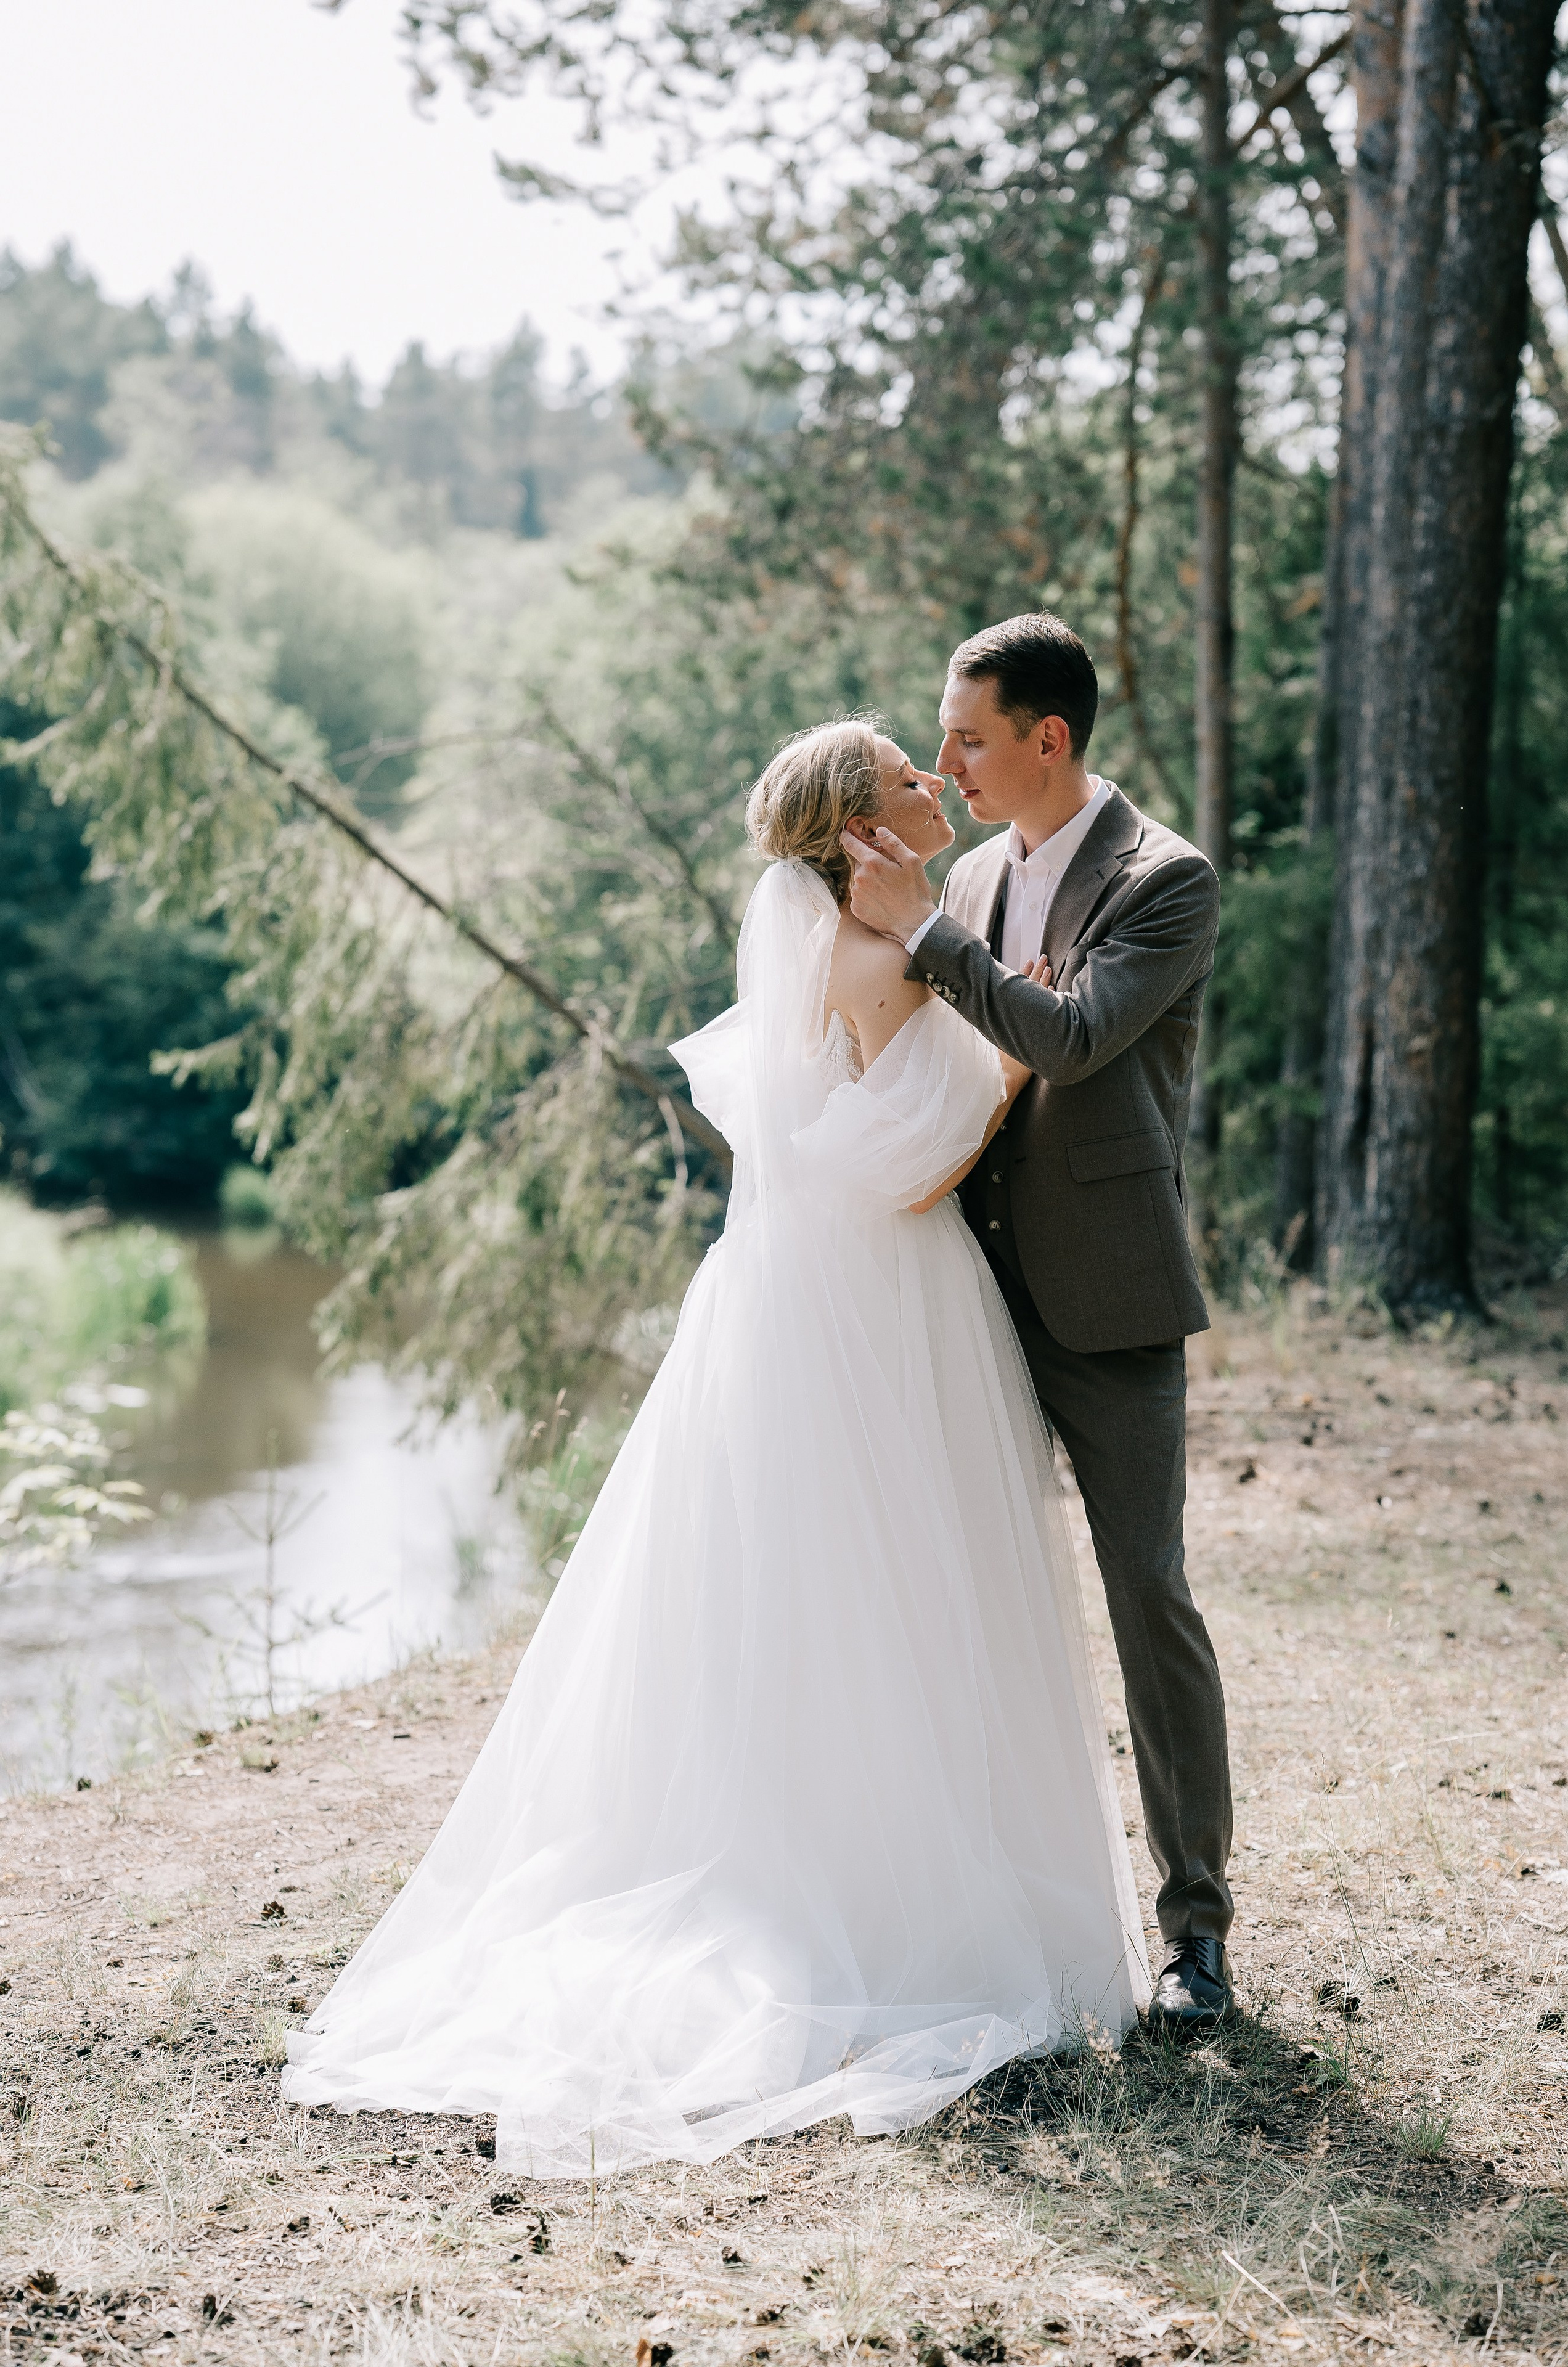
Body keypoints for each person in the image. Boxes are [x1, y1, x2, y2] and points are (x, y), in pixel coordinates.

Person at [283, 718, 1146, 2177]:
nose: (930, 782)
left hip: (792, 1298)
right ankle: (889, 1891)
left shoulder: (824, 951)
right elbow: (907, 1172)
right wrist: (1012, 1063)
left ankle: (839, 1844)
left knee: (811, 1582)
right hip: (884, 1301)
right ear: (857, 829)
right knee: (900, 1578)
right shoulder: (877, 961)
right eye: (903, 776)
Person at [841, 612, 1235, 2032]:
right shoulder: (971, 873)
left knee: (1147, 1595)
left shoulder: (1163, 881)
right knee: (957, 1593)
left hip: (1108, 1296)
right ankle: (973, 1914)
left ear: (1045, 738)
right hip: (964, 1289)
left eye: (966, 739)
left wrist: (926, 936)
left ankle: (1194, 1935)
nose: (944, 764)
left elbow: (1064, 1042)